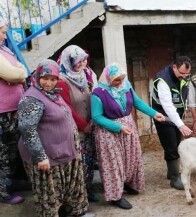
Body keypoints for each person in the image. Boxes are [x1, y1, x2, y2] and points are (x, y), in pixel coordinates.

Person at [18, 59, 89, 216]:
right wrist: (40, 156)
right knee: (49, 196)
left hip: (64, 152)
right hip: (47, 158)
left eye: (53, 79)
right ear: (37, 76)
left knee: (69, 191)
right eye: (45, 78)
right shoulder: (31, 98)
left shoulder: (52, 94)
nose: (49, 83)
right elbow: (27, 129)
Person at [91, 63, 165, 209]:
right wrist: (118, 127)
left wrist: (154, 114)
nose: (120, 83)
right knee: (114, 164)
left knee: (130, 159)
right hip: (109, 132)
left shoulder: (126, 86)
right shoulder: (98, 93)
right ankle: (115, 196)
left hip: (127, 128)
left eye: (122, 79)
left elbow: (137, 102)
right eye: (117, 80)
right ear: (108, 78)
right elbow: (96, 117)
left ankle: (126, 183)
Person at [56, 45, 97, 202]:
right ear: (68, 62)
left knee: (88, 163)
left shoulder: (83, 77)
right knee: (78, 166)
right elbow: (67, 108)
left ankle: (87, 189)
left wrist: (92, 119)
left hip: (88, 128)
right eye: (78, 61)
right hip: (75, 131)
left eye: (84, 60)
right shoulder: (62, 81)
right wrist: (83, 126)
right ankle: (78, 197)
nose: (82, 64)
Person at [151, 56, 193, 190]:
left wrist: (184, 109)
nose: (184, 76)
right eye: (182, 73)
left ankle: (171, 172)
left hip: (176, 117)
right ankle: (175, 178)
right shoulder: (163, 81)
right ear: (174, 67)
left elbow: (183, 94)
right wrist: (180, 124)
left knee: (176, 143)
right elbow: (168, 106)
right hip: (163, 117)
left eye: (187, 74)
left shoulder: (183, 77)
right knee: (171, 146)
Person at [0, 17, 27, 205]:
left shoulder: (5, 49)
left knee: (12, 150)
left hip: (13, 110)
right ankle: (3, 193)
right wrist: (15, 75)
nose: (4, 35)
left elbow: (20, 70)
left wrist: (17, 75)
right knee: (1, 153)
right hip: (1, 112)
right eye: (2, 32)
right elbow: (13, 73)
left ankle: (11, 183)